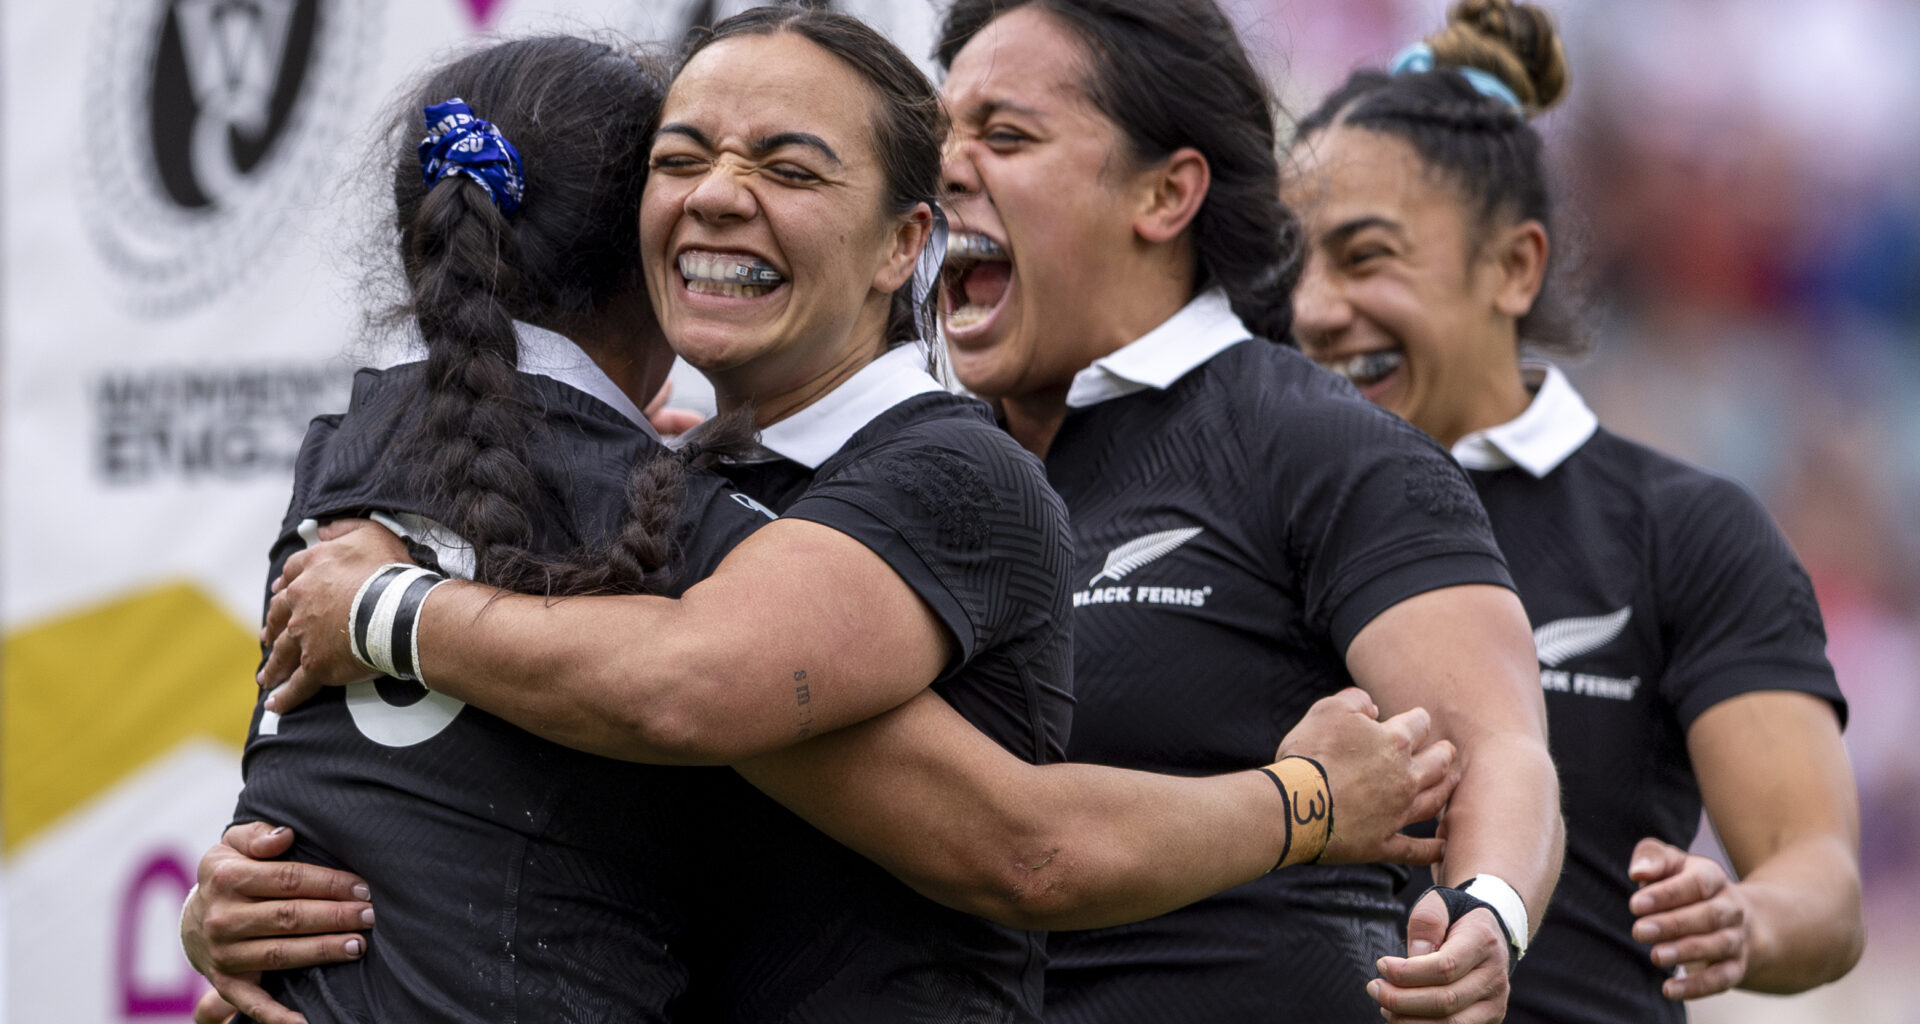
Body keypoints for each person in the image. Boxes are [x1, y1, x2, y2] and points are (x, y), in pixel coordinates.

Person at [190, 9, 1459, 1024]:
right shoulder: (651, 488)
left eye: (788, 166)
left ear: (905, 241)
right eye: (681, 159)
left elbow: (1007, 842)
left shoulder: (949, 473)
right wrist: (279, 898)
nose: (719, 195)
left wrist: (388, 608)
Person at [930, 1, 1561, 1021]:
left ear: (1167, 192)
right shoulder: (913, 466)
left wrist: (1486, 908)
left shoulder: (1316, 442)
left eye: (1006, 136)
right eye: (938, 137)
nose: (948, 167)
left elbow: (1495, 745)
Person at [1284, 2, 1864, 1020]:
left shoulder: (1680, 527)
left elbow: (1820, 879)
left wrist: (1743, 916)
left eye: (1367, 257)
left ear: (1515, 266)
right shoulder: (1249, 509)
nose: (1317, 309)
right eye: (1296, 265)